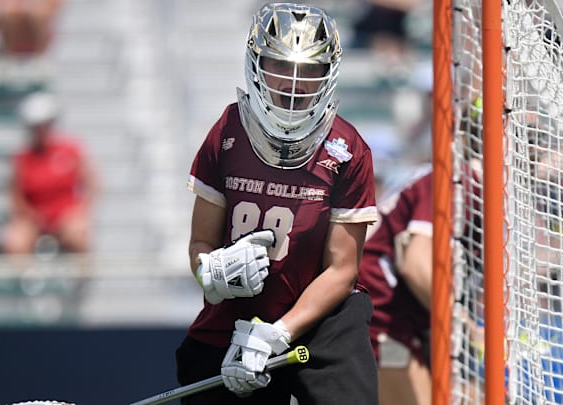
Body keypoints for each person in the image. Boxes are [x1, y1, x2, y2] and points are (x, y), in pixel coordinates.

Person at [177, 3, 379, 404]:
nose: (292, 83)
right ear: (257, 64)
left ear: (329, 72)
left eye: (307, 70)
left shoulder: (347, 149)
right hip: (234, 319)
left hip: (318, 323)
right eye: (280, 66)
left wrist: (278, 334)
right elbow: (200, 245)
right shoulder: (228, 132)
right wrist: (211, 273)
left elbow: (342, 269)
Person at [356, 165, 433, 405]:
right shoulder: (454, 181)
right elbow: (416, 265)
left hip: (398, 315)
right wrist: (461, 325)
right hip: (383, 314)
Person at [0, 91, 99, 255]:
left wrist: (80, 209)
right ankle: (24, 279)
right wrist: (30, 216)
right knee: (14, 241)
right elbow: (15, 194)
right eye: (36, 126)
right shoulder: (22, 158)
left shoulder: (70, 150)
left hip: (66, 216)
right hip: (33, 220)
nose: (41, 130)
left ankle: (81, 279)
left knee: (79, 234)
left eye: (44, 125)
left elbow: (92, 182)